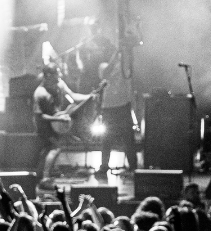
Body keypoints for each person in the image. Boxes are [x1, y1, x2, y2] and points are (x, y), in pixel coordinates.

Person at [32, 64, 90, 177]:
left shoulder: (60, 84)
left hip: (55, 123)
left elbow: (73, 95)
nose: (60, 75)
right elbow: (39, 116)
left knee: (49, 149)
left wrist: (89, 96)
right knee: (54, 148)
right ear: (48, 75)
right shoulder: (40, 93)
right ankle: (45, 176)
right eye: (57, 73)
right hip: (44, 125)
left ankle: (40, 176)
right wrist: (59, 118)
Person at [96, 47, 137, 178]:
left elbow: (130, 74)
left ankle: (133, 167)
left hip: (123, 105)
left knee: (128, 138)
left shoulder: (124, 67)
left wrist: (126, 52)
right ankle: (104, 166)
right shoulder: (103, 66)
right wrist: (116, 54)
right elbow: (105, 74)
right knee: (107, 139)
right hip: (109, 107)